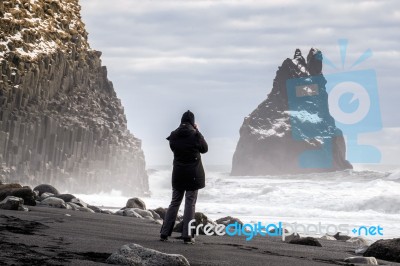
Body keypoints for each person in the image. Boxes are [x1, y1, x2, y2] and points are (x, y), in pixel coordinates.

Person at [160, 110, 208, 244]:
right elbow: (204, 148)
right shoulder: (195, 135)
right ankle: (187, 235)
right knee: (190, 203)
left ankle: (164, 233)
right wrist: (197, 131)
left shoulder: (173, 135)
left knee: (175, 202)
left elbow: (174, 147)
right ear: (193, 122)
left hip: (178, 173)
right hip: (193, 174)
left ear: (181, 121)